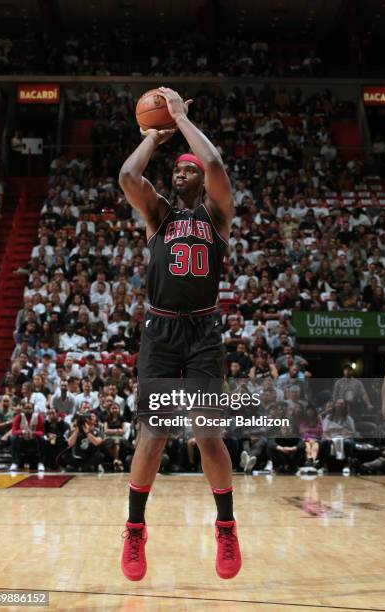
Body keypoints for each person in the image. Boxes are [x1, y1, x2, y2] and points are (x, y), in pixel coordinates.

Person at [118, 87, 241, 581]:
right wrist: (152, 135)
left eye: (185, 169)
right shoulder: (158, 216)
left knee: (208, 436)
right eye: (176, 170)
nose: (180, 173)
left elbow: (214, 163)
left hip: (205, 329)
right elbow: (128, 176)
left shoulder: (217, 215)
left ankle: (227, 527)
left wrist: (184, 118)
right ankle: (133, 530)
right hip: (160, 329)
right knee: (153, 436)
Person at [10, 401, 45, 471]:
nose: (28, 410)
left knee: (42, 439)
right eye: (26, 408)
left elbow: (42, 432)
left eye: (30, 408)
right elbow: (14, 431)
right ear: (23, 409)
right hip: (22, 439)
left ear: (33, 409)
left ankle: (41, 463)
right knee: (13, 438)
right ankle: (14, 463)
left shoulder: (38, 416)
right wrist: (22, 432)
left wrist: (33, 433)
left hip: (34, 440)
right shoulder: (19, 416)